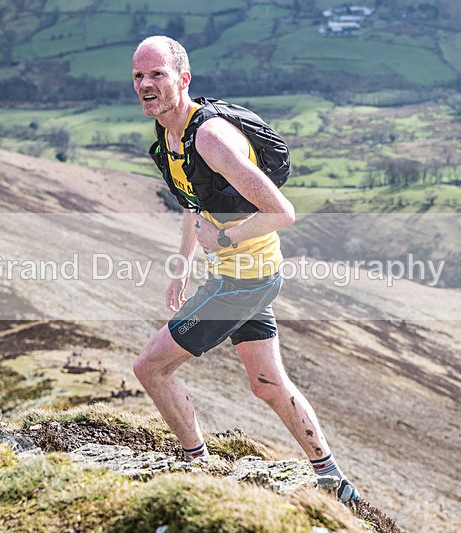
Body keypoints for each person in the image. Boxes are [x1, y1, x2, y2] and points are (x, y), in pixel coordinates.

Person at [130, 36, 359, 503]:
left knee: (151, 368)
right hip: (246, 277)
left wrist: (226, 239)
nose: (146, 84)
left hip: (245, 279)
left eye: (157, 74)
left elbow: (282, 211)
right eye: (138, 76)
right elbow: (195, 206)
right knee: (268, 384)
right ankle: (334, 480)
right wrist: (183, 265)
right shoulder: (171, 137)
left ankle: (198, 469)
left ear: (183, 79)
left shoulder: (209, 137)